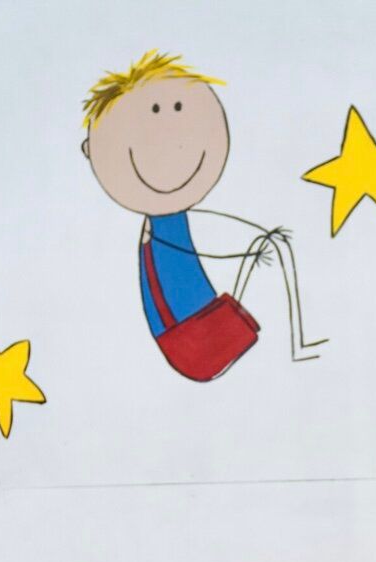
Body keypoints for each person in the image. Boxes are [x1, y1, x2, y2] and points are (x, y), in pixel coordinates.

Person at [81, 51, 325, 379]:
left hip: (196, 327)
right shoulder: (157, 230)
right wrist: (248, 250)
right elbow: (174, 258)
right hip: (187, 338)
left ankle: (300, 342)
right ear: (91, 151)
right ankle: (296, 341)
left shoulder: (167, 224)